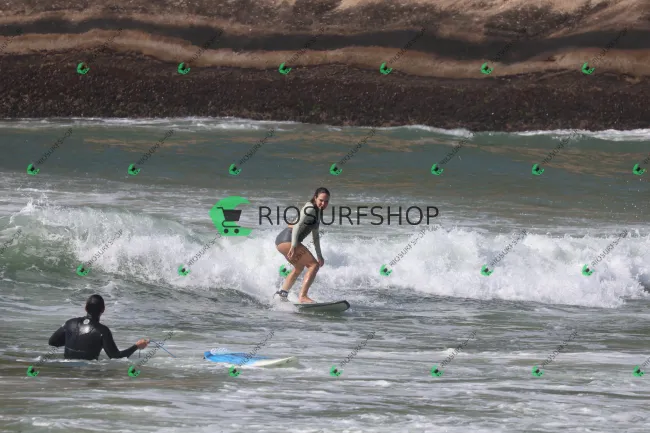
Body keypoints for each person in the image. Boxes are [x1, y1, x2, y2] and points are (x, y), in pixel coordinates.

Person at [48, 294, 149, 360]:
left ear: (85, 308)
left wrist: (73, 342)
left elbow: (52, 342)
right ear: (103, 310)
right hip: (89, 374)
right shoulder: (102, 331)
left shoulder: (69, 323)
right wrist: (137, 346)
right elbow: (115, 357)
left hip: (66, 372)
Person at [274, 187, 329, 303]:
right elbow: (297, 226)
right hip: (288, 239)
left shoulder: (317, 212)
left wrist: (319, 255)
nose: (323, 203)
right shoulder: (310, 208)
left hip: (282, 241)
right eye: (321, 200)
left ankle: (282, 294)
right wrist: (294, 245)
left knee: (298, 268)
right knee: (314, 266)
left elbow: (315, 236)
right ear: (315, 198)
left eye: (326, 201)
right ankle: (303, 296)